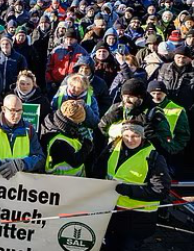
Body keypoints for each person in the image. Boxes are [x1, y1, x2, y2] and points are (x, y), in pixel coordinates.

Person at [93, 121, 170, 251]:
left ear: (142, 137)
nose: (130, 140)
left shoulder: (153, 158)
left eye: (135, 136)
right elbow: (98, 170)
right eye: (126, 136)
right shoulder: (113, 148)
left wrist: (128, 190)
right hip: (111, 215)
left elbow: (160, 190)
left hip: (137, 220)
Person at [0, 94, 45, 178]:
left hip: (20, 183)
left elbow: (40, 158)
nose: (17, 115)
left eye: (19, 110)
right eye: (12, 110)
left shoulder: (29, 129)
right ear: (3, 109)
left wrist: (21, 164)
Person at [41, 100, 92, 176]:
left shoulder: (55, 122)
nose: (80, 125)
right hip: (62, 180)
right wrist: (88, 143)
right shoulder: (59, 142)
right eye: (79, 123)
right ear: (71, 122)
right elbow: (75, 161)